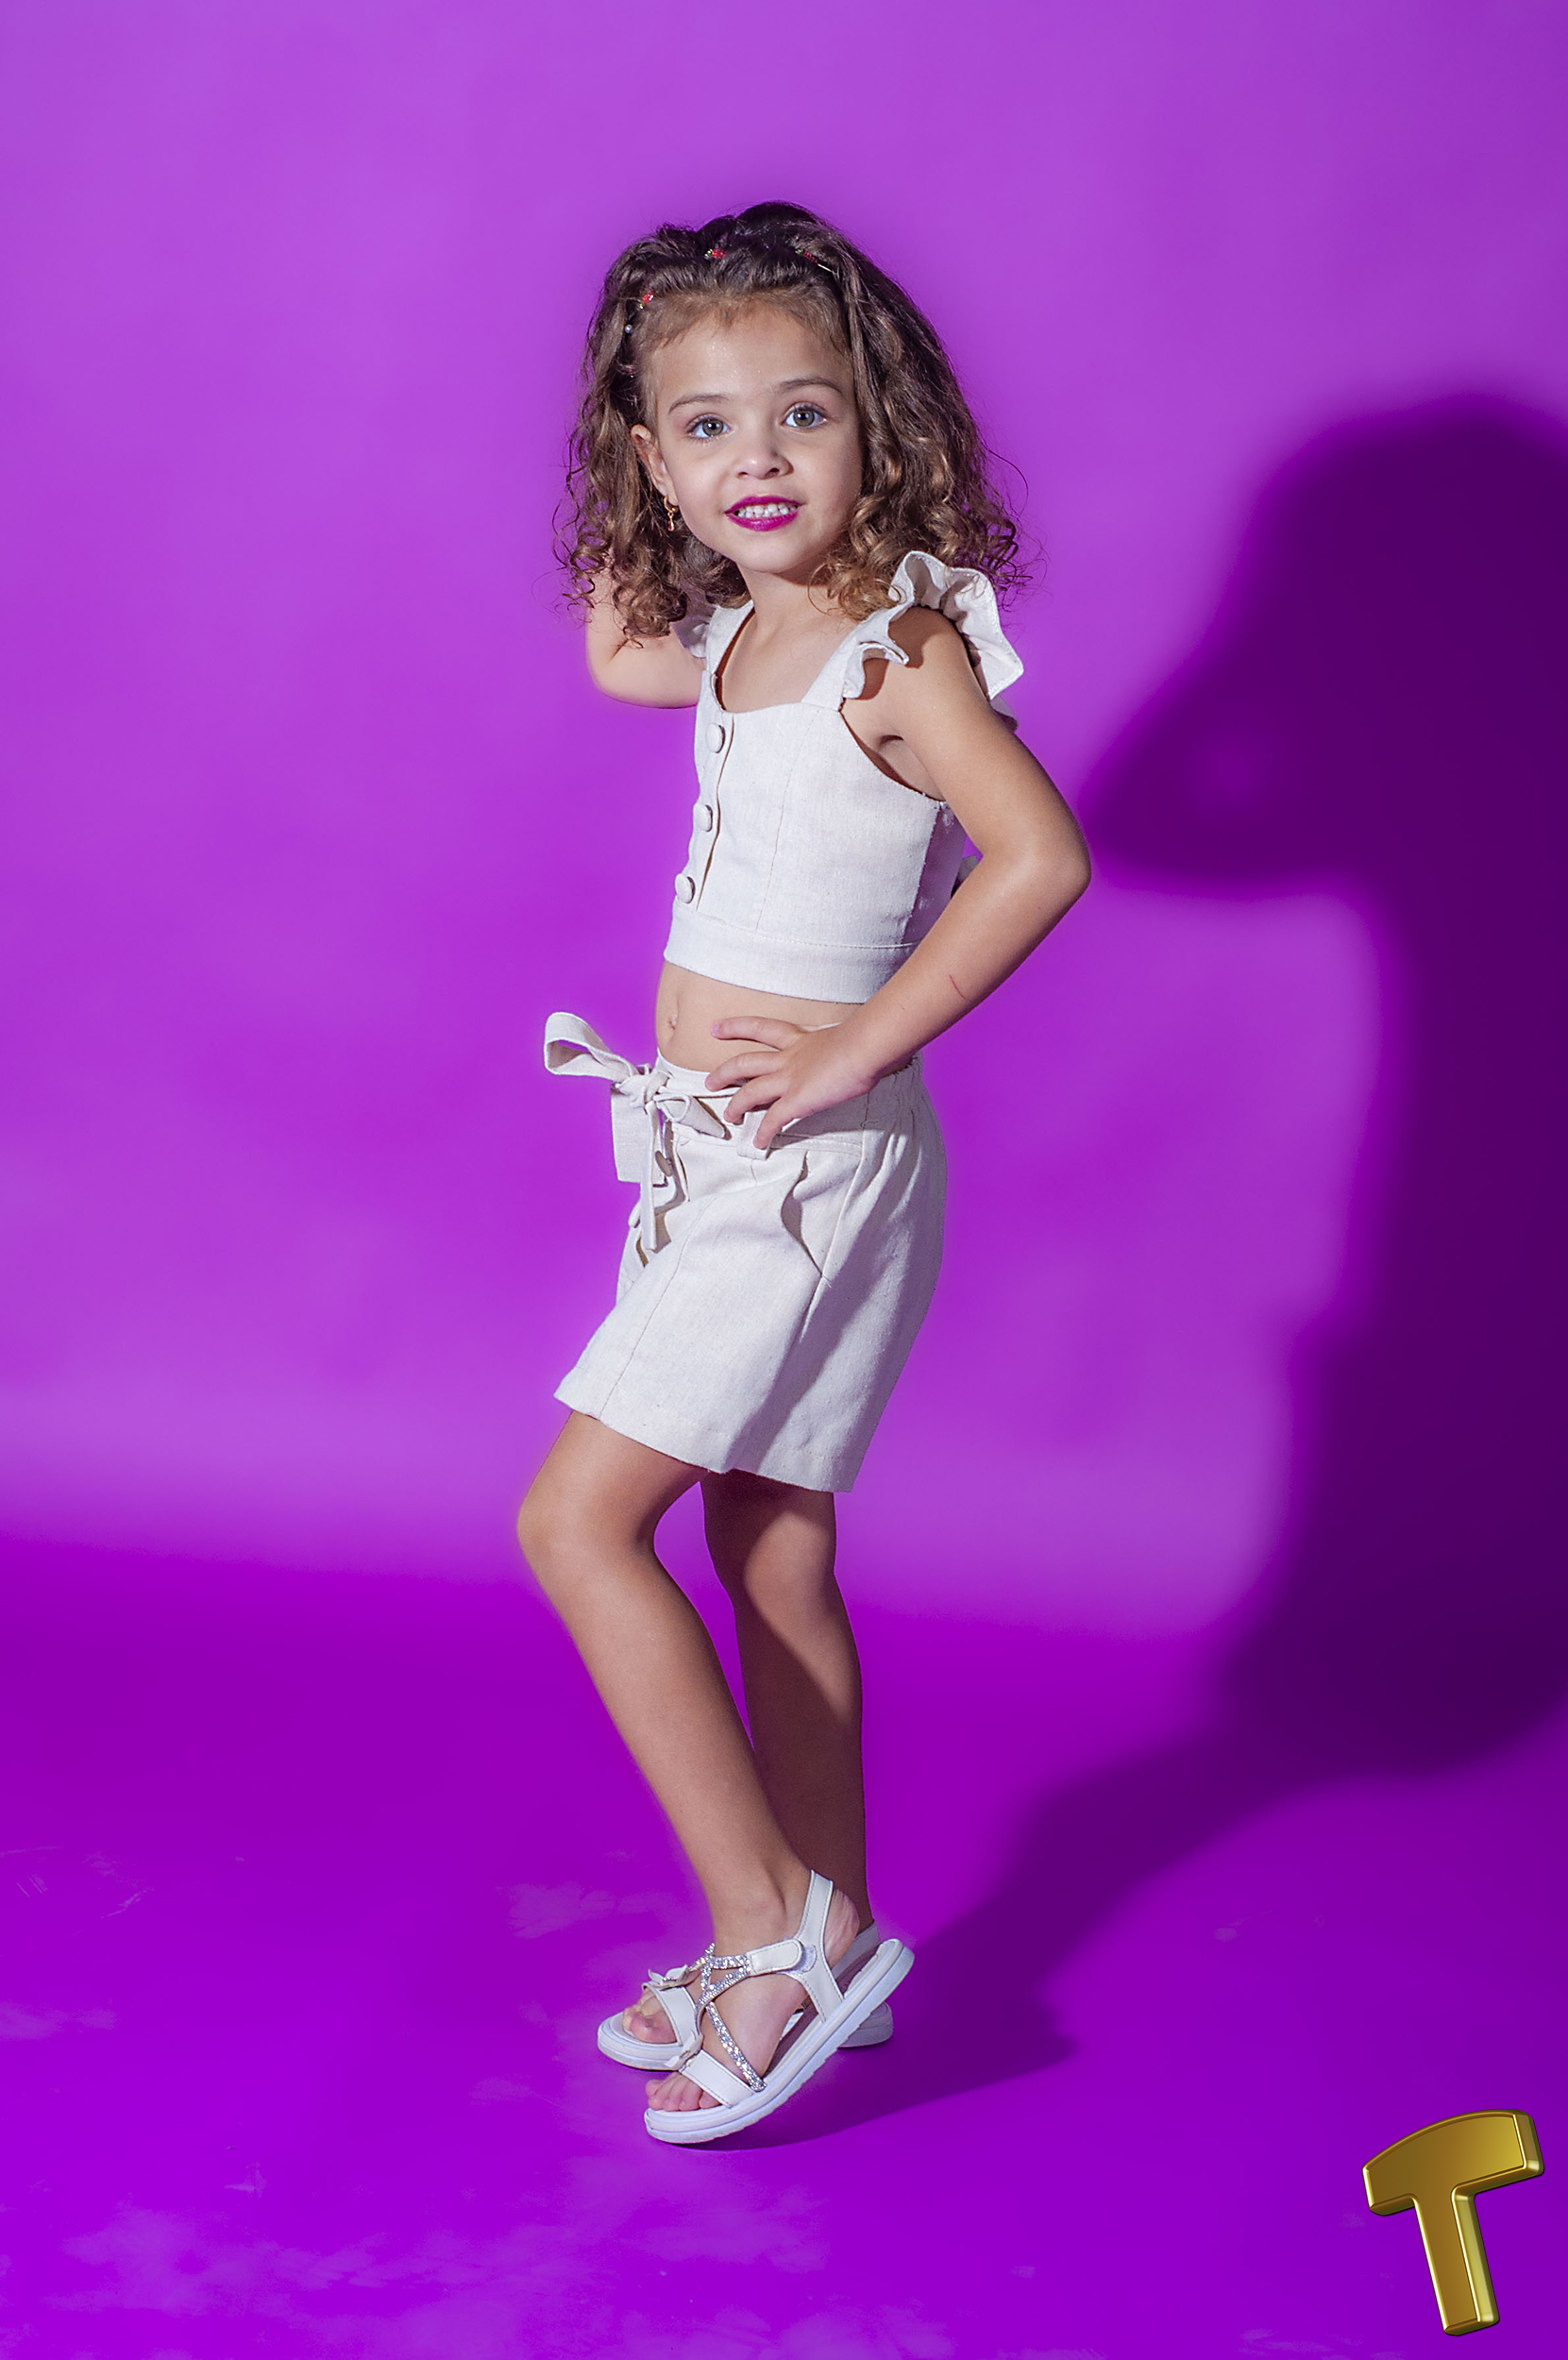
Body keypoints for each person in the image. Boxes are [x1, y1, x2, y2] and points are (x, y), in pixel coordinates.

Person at [516, 202, 1090, 2144]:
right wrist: (640, 446)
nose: (754, 458)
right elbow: (617, 648)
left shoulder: (896, 646)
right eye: (702, 427)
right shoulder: (745, 635)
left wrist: (855, 1047)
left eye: (803, 413)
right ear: (650, 456)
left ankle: (774, 1933)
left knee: (578, 1526)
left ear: (881, 426)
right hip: (719, 1161)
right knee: (769, 1545)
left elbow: (1039, 856)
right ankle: (828, 1931)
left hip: (807, 1166)